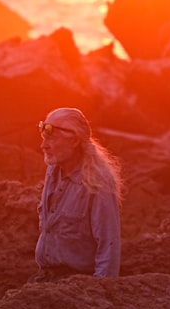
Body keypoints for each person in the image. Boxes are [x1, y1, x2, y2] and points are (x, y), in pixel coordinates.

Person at [32, 107, 123, 280]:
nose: (43, 145)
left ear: (74, 141)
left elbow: (109, 246)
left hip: (77, 285)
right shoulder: (53, 170)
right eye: (43, 138)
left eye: (51, 138)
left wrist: (99, 293)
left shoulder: (97, 183)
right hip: (46, 279)